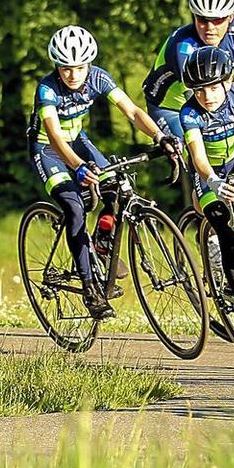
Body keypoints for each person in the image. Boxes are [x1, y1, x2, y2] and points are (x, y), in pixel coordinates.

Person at [29, 25, 182, 318]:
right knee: (74, 208)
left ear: (89, 64)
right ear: (56, 66)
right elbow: (56, 139)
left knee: (115, 187)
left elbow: (133, 111)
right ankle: (90, 289)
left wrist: (159, 137)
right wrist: (79, 167)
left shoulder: (99, 77)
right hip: (48, 150)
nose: (72, 75)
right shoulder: (47, 89)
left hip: (79, 142)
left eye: (79, 68)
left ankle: (101, 241)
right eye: (65, 68)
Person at [156, 43, 234, 347]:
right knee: (227, 232)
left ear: (227, 81)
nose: (206, 96)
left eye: (212, 87)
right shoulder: (190, 113)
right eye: (199, 90)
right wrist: (212, 181)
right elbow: (197, 155)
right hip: (210, 174)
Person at [148, 0, 234, 139]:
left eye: (218, 20)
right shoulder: (183, 47)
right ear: (193, 15)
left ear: (231, 17)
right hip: (170, 108)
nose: (209, 28)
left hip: (213, 97)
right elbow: (197, 103)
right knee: (194, 149)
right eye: (202, 19)